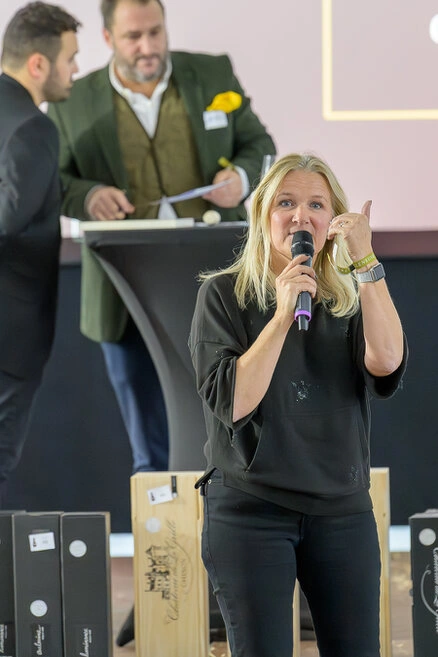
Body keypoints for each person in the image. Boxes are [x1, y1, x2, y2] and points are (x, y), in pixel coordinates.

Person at [189, 152, 408, 657]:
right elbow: (234, 402)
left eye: (316, 205)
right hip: (250, 508)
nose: (300, 216)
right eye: (285, 203)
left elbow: (387, 362)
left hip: (341, 508)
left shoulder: (350, 297)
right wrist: (282, 315)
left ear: (332, 222)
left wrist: (366, 263)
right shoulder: (223, 295)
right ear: (263, 214)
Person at [47, 0, 276, 480]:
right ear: (108, 39)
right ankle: (157, 512)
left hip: (217, 273)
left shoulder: (211, 74)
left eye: (155, 32)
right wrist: (88, 197)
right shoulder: (75, 98)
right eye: (133, 37)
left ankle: (232, 497)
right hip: (122, 286)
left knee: (229, 407)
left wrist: (240, 177)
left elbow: (259, 145)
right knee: (147, 433)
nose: (147, 46)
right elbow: (54, 180)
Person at [0, 2, 80, 507]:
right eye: (70, 59)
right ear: (37, 64)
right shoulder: (34, 127)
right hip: (10, 336)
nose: (75, 70)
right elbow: (8, 222)